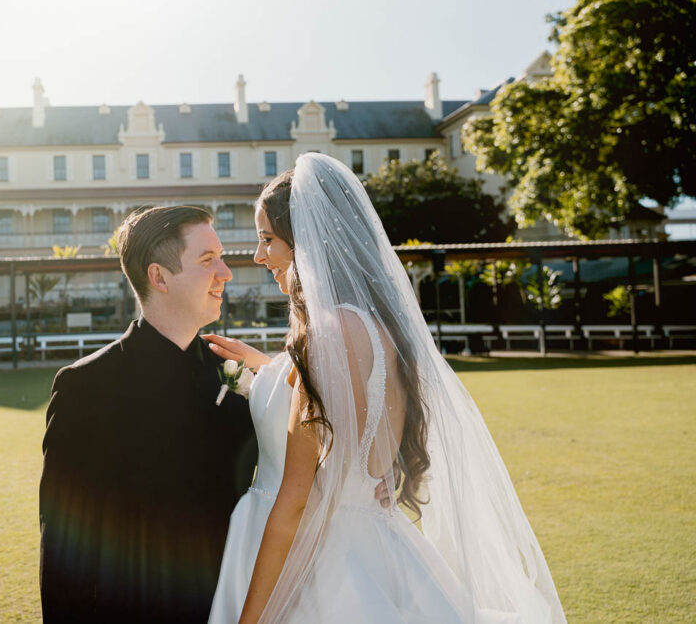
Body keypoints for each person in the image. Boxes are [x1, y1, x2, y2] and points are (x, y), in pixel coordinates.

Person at [206, 154, 565, 623]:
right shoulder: (382, 333)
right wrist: (264, 364)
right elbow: (341, 407)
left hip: (320, 564)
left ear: (305, 242)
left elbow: (297, 499)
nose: (258, 256)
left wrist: (248, 620)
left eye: (267, 240)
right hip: (381, 549)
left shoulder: (321, 340)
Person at [38, 206, 259, 622]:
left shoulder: (236, 376)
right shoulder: (85, 388)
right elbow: (64, 549)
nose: (227, 273)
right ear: (159, 277)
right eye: (208, 260)